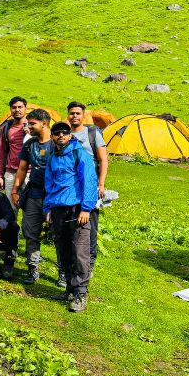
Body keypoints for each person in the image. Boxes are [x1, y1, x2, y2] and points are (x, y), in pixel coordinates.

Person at [44, 122, 98, 313]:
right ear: (52, 136)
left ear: (69, 136)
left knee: (80, 251)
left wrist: (86, 209)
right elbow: (49, 184)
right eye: (56, 133)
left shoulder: (79, 153)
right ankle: (69, 288)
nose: (60, 136)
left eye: (64, 133)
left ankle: (81, 293)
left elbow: (90, 181)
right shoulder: (52, 157)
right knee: (63, 250)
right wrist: (48, 208)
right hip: (58, 209)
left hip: (77, 210)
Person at [10, 109, 53, 286]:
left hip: (54, 197)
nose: (29, 127)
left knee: (59, 236)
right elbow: (21, 169)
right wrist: (15, 190)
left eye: (32, 123)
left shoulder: (57, 144)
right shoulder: (30, 145)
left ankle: (64, 273)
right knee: (30, 233)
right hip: (33, 194)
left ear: (44, 123)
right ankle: (33, 269)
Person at [66, 101, 108, 274]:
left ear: (83, 115)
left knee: (90, 223)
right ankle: (72, 262)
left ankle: (89, 263)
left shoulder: (92, 133)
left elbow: (103, 159)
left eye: (77, 113)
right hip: (69, 186)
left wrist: (101, 183)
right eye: (71, 113)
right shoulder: (64, 134)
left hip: (89, 185)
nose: (74, 116)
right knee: (71, 222)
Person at [0, 96, 28, 203]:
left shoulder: (33, 126)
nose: (17, 110)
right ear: (10, 109)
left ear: (26, 108)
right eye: (14, 107)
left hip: (29, 172)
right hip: (11, 173)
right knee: (11, 210)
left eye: (20, 107)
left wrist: (30, 134)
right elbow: (1, 152)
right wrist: (0, 175)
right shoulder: (6, 127)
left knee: (29, 210)